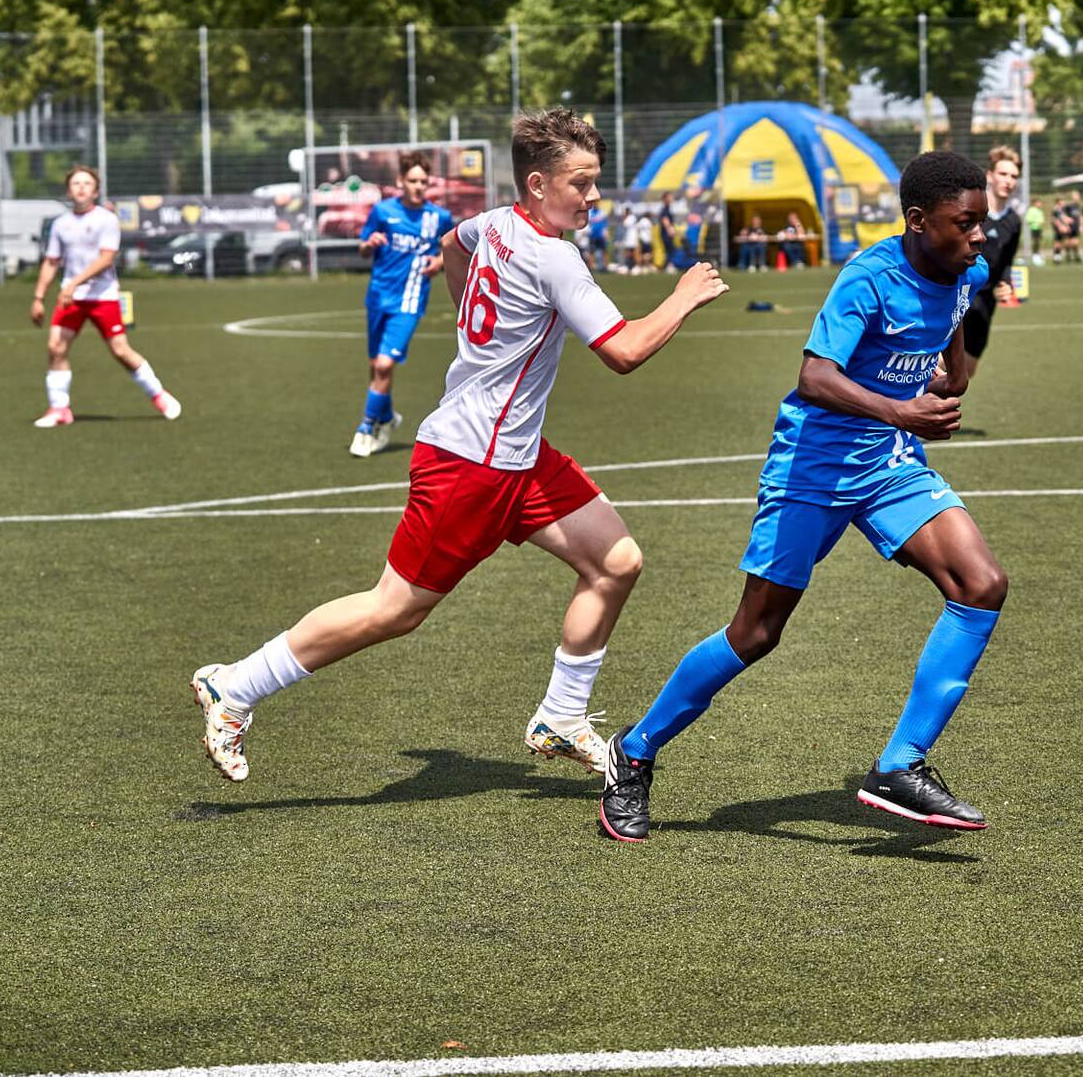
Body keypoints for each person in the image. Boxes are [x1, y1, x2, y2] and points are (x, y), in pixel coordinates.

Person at [190, 109, 730, 785]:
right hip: (470, 464)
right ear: (538, 184)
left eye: (596, 181)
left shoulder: (496, 221)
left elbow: (452, 245)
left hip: (518, 457)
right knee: (395, 608)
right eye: (581, 183)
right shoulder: (556, 257)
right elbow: (623, 350)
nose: (594, 196)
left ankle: (562, 717)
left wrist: (477, 333)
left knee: (616, 562)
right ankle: (235, 686)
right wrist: (683, 296)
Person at [598, 150, 1005, 842]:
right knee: (756, 631)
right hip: (812, 466)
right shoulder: (869, 279)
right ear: (917, 221)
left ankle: (899, 764)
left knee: (981, 583)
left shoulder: (968, 270)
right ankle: (633, 751)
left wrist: (952, 374)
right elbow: (815, 377)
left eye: (981, 222)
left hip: (888, 463)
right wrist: (903, 410)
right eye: (963, 223)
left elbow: (953, 326)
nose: (978, 236)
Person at [29, 165, 183, 428]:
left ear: (96, 191)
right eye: (76, 183)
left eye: (87, 184)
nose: (81, 188)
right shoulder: (60, 224)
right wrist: (38, 297)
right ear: (68, 191)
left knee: (120, 351)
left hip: (103, 296)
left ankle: (159, 395)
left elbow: (106, 259)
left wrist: (73, 284)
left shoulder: (106, 220)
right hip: (71, 298)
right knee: (56, 347)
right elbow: (52, 261)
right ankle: (59, 409)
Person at [348, 152, 455, 458]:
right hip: (378, 296)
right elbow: (363, 247)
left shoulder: (439, 217)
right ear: (400, 181)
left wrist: (439, 261)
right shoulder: (383, 211)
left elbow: (454, 249)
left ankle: (366, 428)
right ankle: (386, 416)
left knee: (384, 365)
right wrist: (370, 244)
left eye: (423, 181)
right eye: (413, 180)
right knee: (375, 367)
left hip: (409, 301)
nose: (419, 186)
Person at [959, 145, 1022, 383]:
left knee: (968, 370)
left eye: (1014, 176)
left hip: (985, 304)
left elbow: (1007, 261)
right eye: (1003, 174)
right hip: (958, 295)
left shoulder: (1014, 221)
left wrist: (1005, 283)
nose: (1008, 180)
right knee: (942, 367)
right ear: (990, 175)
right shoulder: (970, 212)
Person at [1024, 197, 1046, 266]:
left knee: (1038, 242)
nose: (1040, 204)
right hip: (1034, 228)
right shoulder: (1031, 210)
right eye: (1039, 203)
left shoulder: (1040, 211)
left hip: (1039, 228)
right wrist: (1036, 222)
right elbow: (1028, 220)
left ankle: (1037, 255)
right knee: (1035, 242)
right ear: (1035, 203)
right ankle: (1034, 256)